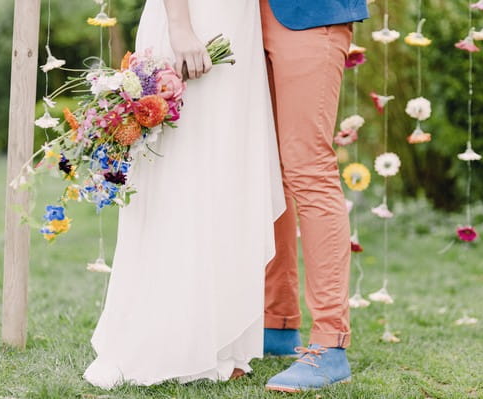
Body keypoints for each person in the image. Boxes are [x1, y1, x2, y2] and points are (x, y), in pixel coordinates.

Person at [83, 0, 285, 388]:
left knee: (224, 173)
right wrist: (180, 26)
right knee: (183, 175)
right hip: (193, 23)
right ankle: (170, 336)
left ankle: (221, 342)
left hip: (236, 25)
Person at [260, 0, 369, 393]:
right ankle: (276, 322)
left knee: (309, 168)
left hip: (311, 11)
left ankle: (330, 342)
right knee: (267, 172)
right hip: (239, 19)